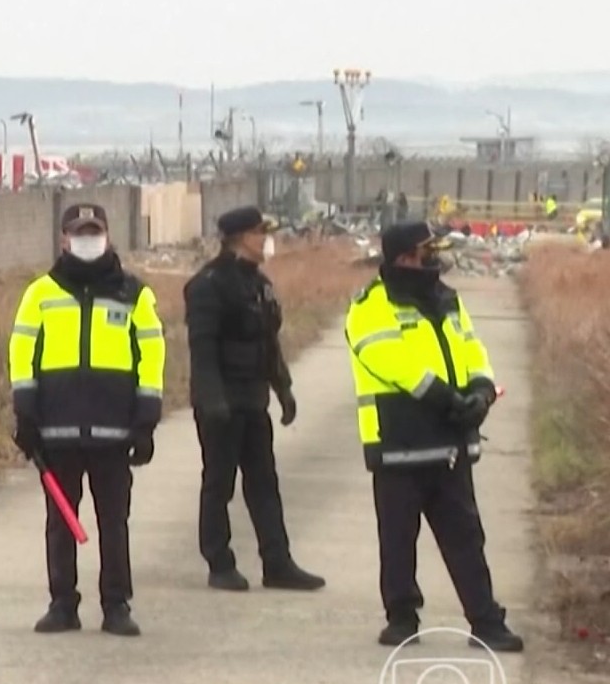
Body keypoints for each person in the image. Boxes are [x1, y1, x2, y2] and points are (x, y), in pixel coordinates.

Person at [344, 221, 522, 651]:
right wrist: (446, 399)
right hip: (399, 439)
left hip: (451, 439)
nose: (435, 257)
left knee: (465, 536)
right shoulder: (371, 305)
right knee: (399, 538)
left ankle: (485, 621)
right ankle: (402, 618)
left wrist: (480, 389)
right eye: (427, 251)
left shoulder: (446, 298)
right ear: (405, 256)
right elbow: (390, 361)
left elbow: (469, 346)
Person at [9, 202, 166, 637]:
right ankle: (62, 604)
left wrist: (146, 420)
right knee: (60, 523)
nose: (87, 238)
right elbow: (22, 354)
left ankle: (116, 605)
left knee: (114, 523)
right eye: (79, 232)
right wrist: (25, 412)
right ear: (63, 239)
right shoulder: (40, 293)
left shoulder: (135, 294)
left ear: (108, 235)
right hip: (56, 429)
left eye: (94, 230)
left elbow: (151, 356)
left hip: (114, 430)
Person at [184, 206, 325, 593]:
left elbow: (268, 343)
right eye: (262, 232)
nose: (267, 240)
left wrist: (283, 388)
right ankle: (219, 561)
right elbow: (202, 348)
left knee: (264, 482)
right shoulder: (209, 284)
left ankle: (277, 563)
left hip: (252, 397)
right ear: (242, 237)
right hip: (221, 401)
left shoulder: (258, 284)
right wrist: (211, 398)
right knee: (220, 482)